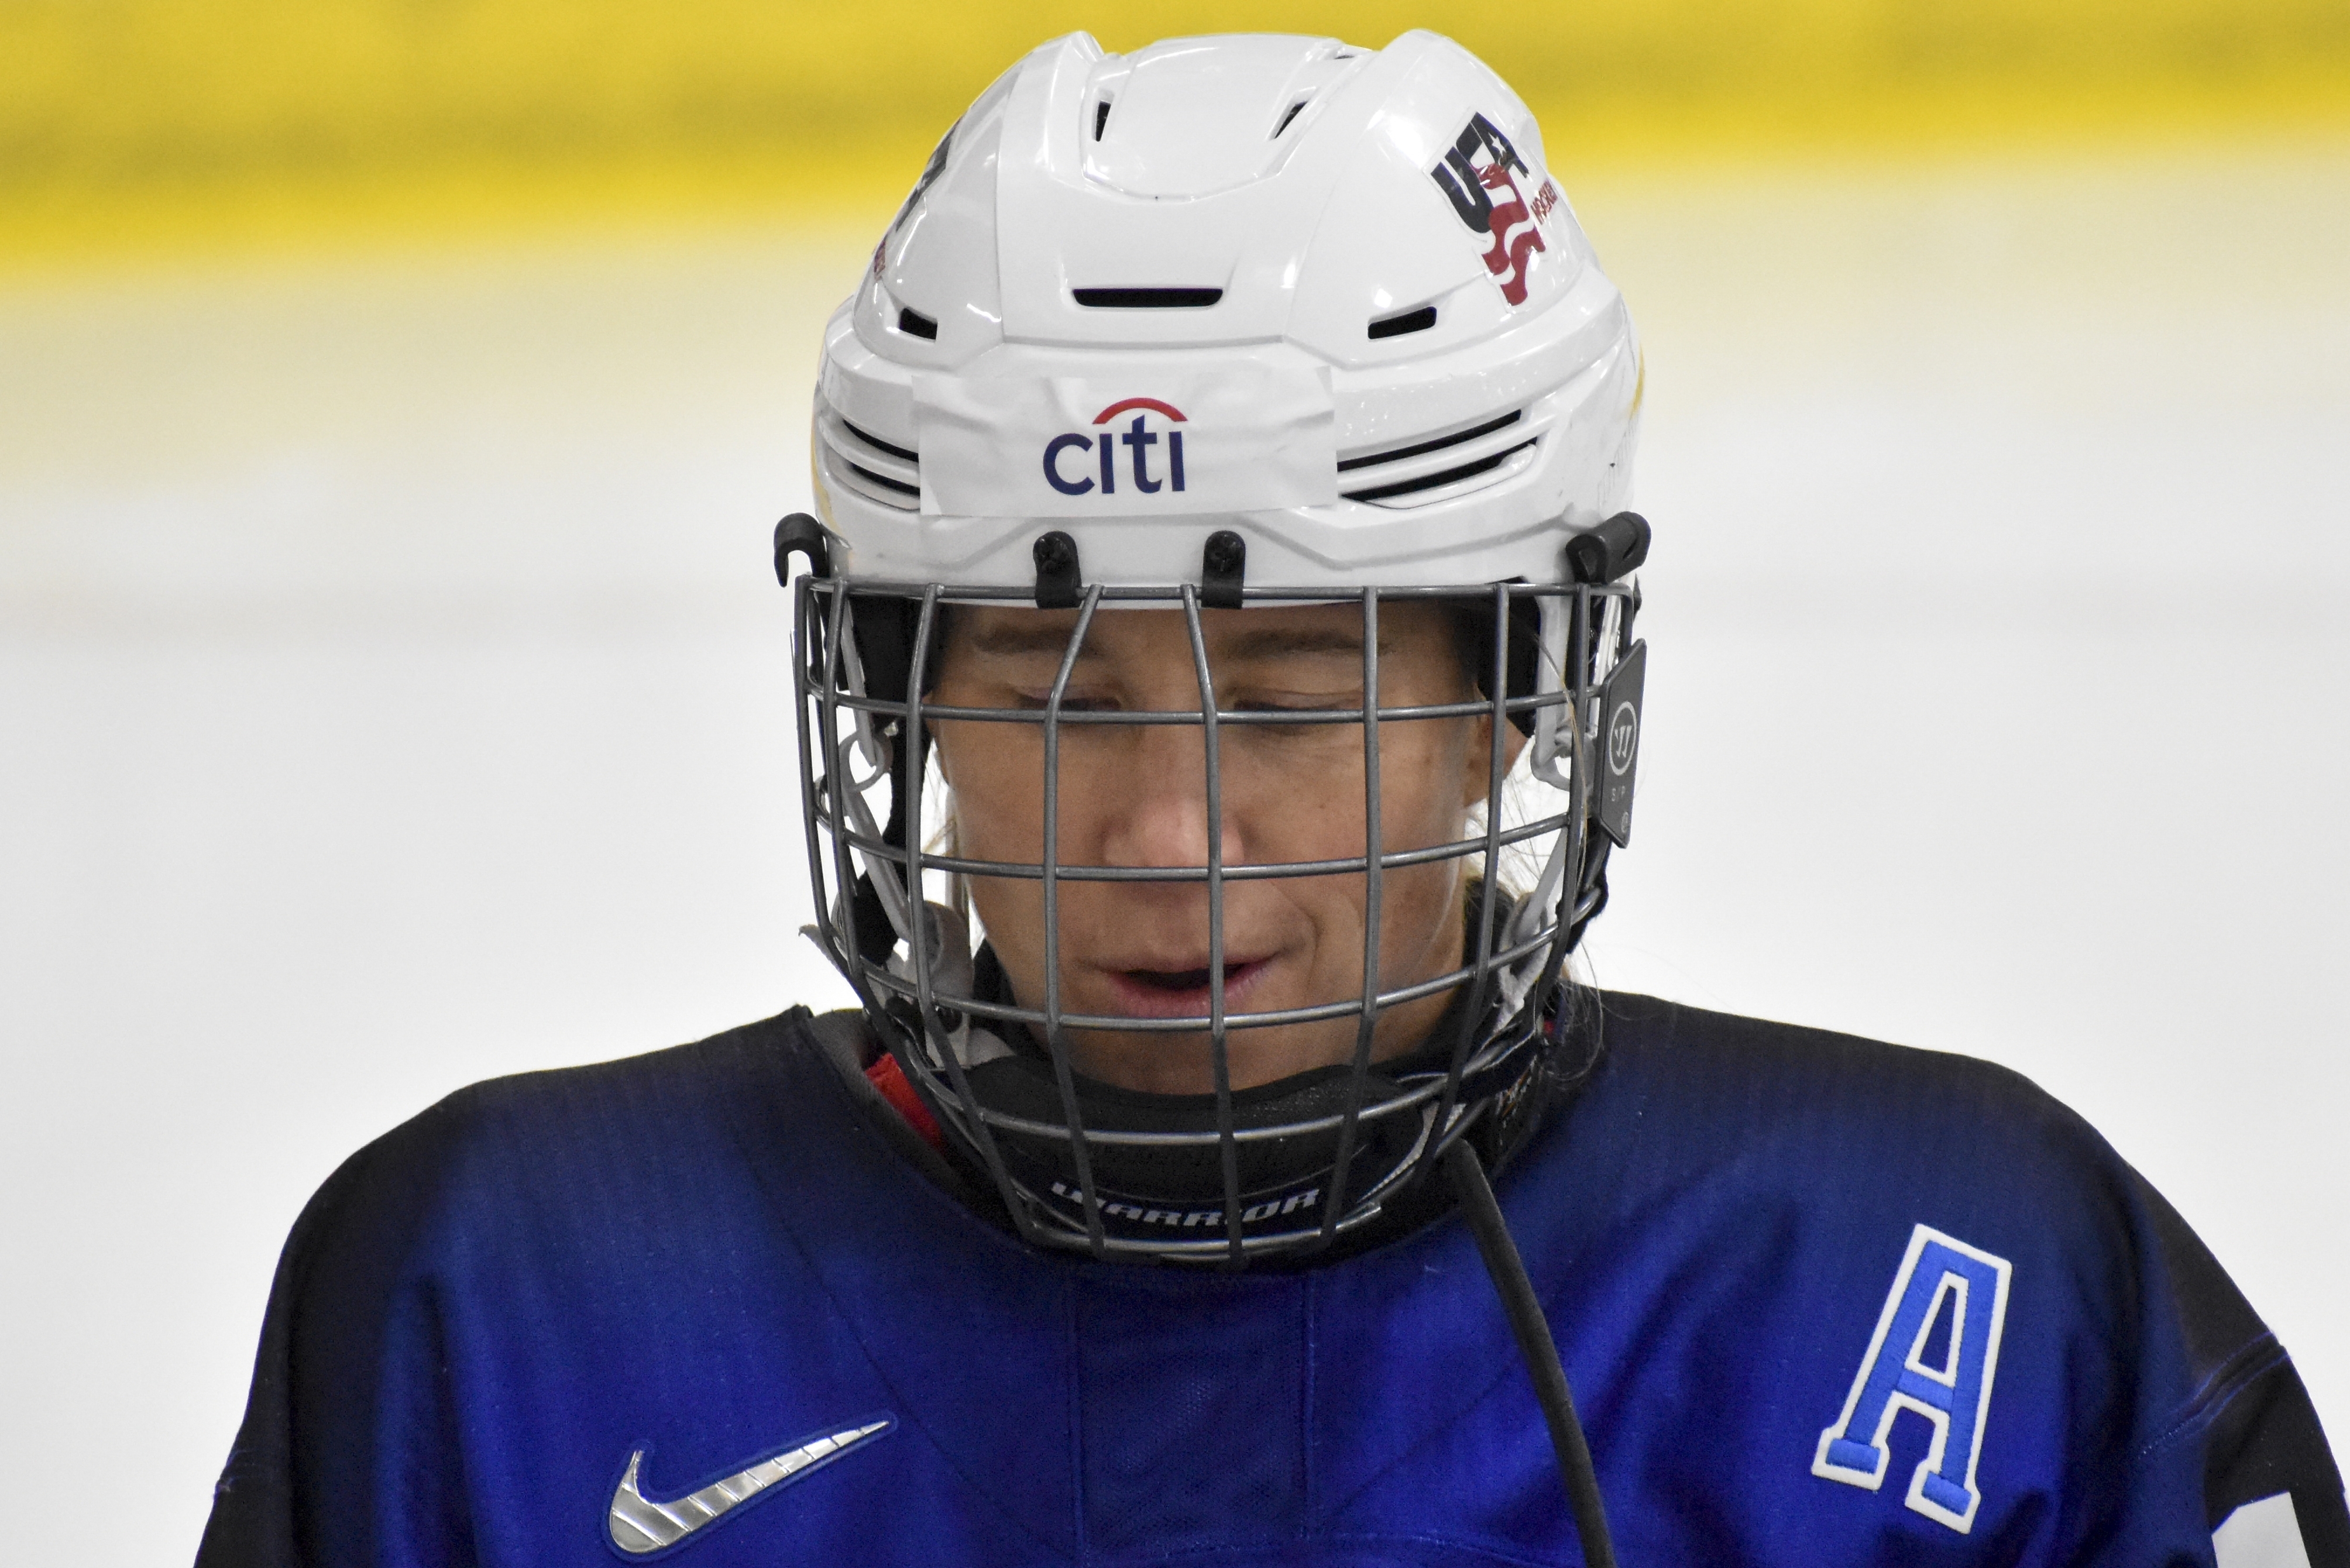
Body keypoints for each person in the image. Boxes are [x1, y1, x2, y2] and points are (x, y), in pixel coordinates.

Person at [197, 29, 2344, 1568]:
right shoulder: (501, 1307)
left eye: (1297, 700)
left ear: (1522, 699)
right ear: (897, 703)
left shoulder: (1945, 1290)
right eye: (1048, 694)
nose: (1162, 843)